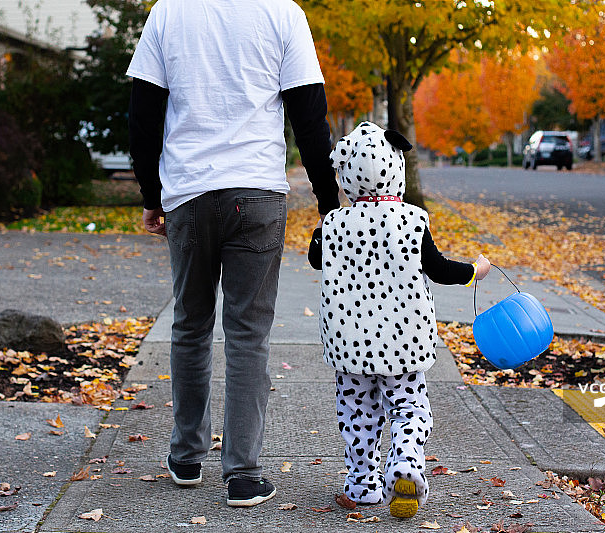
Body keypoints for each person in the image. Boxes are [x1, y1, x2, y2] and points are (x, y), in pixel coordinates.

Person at [126, 0, 340, 507]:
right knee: (248, 334)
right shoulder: (283, 13)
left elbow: (143, 113)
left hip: (189, 193)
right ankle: (242, 474)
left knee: (190, 324)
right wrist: (329, 204)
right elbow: (310, 117)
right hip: (258, 192)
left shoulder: (168, 13)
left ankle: (185, 456)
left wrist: (151, 195)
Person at [307, 122, 490, 518]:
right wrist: (474, 270)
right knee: (408, 407)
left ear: (347, 176)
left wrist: (326, 233)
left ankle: (362, 483)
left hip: (349, 343)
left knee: (357, 411)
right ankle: (406, 463)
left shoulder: (334, 224)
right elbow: (438, 268)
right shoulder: (412, 219)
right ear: (395, 165)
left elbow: (315, 259)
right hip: (403, 342)